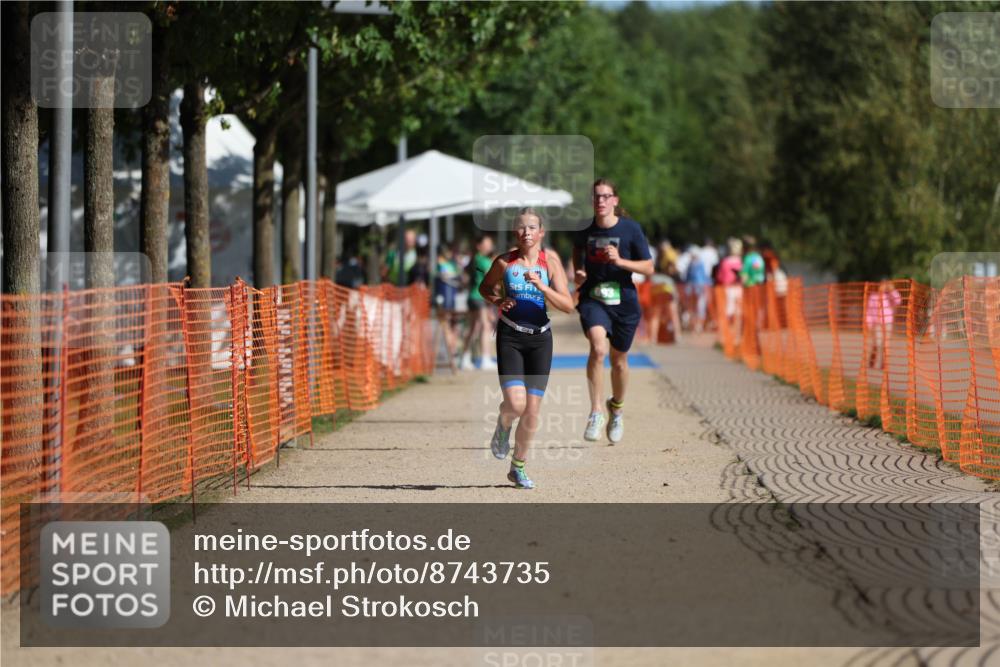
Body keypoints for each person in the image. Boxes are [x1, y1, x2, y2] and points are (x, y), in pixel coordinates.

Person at [479, 209, 574, 489]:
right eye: (521, 228)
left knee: (532, 411)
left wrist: (542, 287)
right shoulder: (504, 262)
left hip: (541, 340)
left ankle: (517, 467)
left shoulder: (551, 263)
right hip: (510, 336)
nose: (527, 232)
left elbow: (568, 306)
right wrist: (498, 301)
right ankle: (503, 426)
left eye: (532, 227)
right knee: (516, 405)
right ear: (515, 233)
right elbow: (485, 288)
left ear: (541, 233)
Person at [572, 179, 655, 444]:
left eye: (606, 196)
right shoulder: (584, 229)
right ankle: (596, 412)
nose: (601, 201)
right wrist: (579, 271)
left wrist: (620, 261)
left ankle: (616, 408)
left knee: (619, 360)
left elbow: (648, 268)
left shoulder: (631, 229)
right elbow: (577, 252)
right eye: (596, 197)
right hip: (593, 298)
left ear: (615, 201)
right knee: (598, 349)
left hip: (625, 300)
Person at [460, 234, 496, 370]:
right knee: (485, 327)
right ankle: (485, 358)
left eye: (490, 243)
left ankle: (465, 357)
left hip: (473, 296)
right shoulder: (483, 260)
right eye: (487, 243)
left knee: (472, 329)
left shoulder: (474, 259)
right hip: (479, 297)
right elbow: (491, 277)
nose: (490, 246)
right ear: (479, 246)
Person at [433, 245, 462, 372]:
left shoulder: (452, 263)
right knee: (445, 325)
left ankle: (453, 351)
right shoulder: (440, 263)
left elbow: (458, 277)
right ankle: (451, 353)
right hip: (445, 300)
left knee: (453, 325)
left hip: (453, 299)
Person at [865, 280, 901, 370]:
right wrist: (869, 323)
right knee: (878, 343)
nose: (883, 287)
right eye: (882, 285)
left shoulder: (889, 296)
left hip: (887, 322)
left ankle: (882, 364)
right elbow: (869, 311)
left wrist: (892, 289)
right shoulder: (873, 296)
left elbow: (898, 301)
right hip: (877, 323)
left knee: (885, 344)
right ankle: (873, 360)